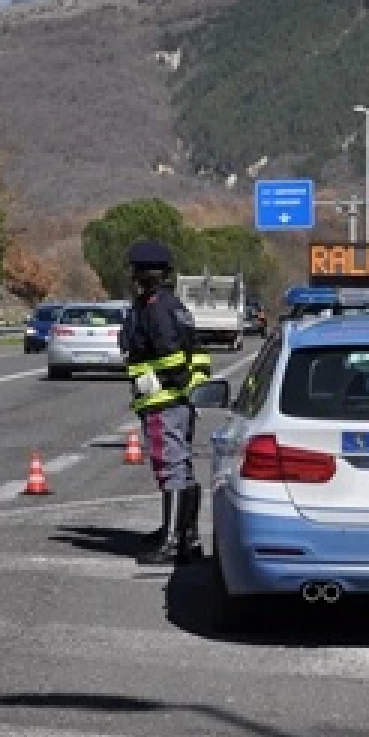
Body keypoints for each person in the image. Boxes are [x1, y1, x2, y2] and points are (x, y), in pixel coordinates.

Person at [119, 240, 215, 565]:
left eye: (135, 271)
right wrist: (190, 386)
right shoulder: (175, 305)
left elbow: (170, 354)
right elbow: (197, 352)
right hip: (179, 400)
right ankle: (185, 536)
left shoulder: (154, 307)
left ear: (142, 274)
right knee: (181, 465)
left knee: (170, 466)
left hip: (163, 399)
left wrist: (165, 381)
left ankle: (173, 542)